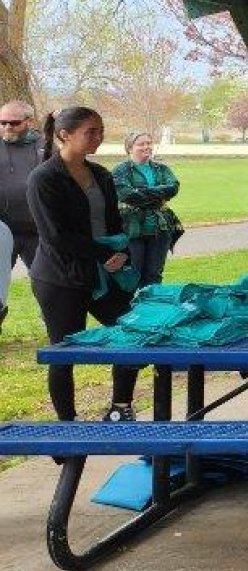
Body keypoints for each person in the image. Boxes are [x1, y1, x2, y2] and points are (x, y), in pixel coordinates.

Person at [26, 107, 142, 422]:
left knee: (133, 334)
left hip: (105, 273)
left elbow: (114, 223)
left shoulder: (102, 175)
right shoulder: (43, 178)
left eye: (101, 130)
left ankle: (121, 408)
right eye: (91, 131)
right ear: (64, 134)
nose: (99, 137)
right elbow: (56, 236)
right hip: (60, 278)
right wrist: (104, 255)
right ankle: (68, 429)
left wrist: (122, 253)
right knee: (64, 354)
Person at [112, 131, 182, 287]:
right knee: (133, 273)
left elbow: (173, 188)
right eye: (141, 144)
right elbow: (127, 195)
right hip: (132, 229)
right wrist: (158, 194)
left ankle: (152, 307)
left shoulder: (161, 169)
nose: (146, 147)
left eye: (149, 143)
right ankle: (133, 309)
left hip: (160, 228)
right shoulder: (120, 171)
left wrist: (142, 192)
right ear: (130, 148)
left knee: (154, 274)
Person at [0, 99, 42, 272]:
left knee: (46, 284)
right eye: (3, 122)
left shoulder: (45, 146)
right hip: (3, 229)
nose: (8, 127)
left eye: (14, 123)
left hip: (37, 230)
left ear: (29, 121)